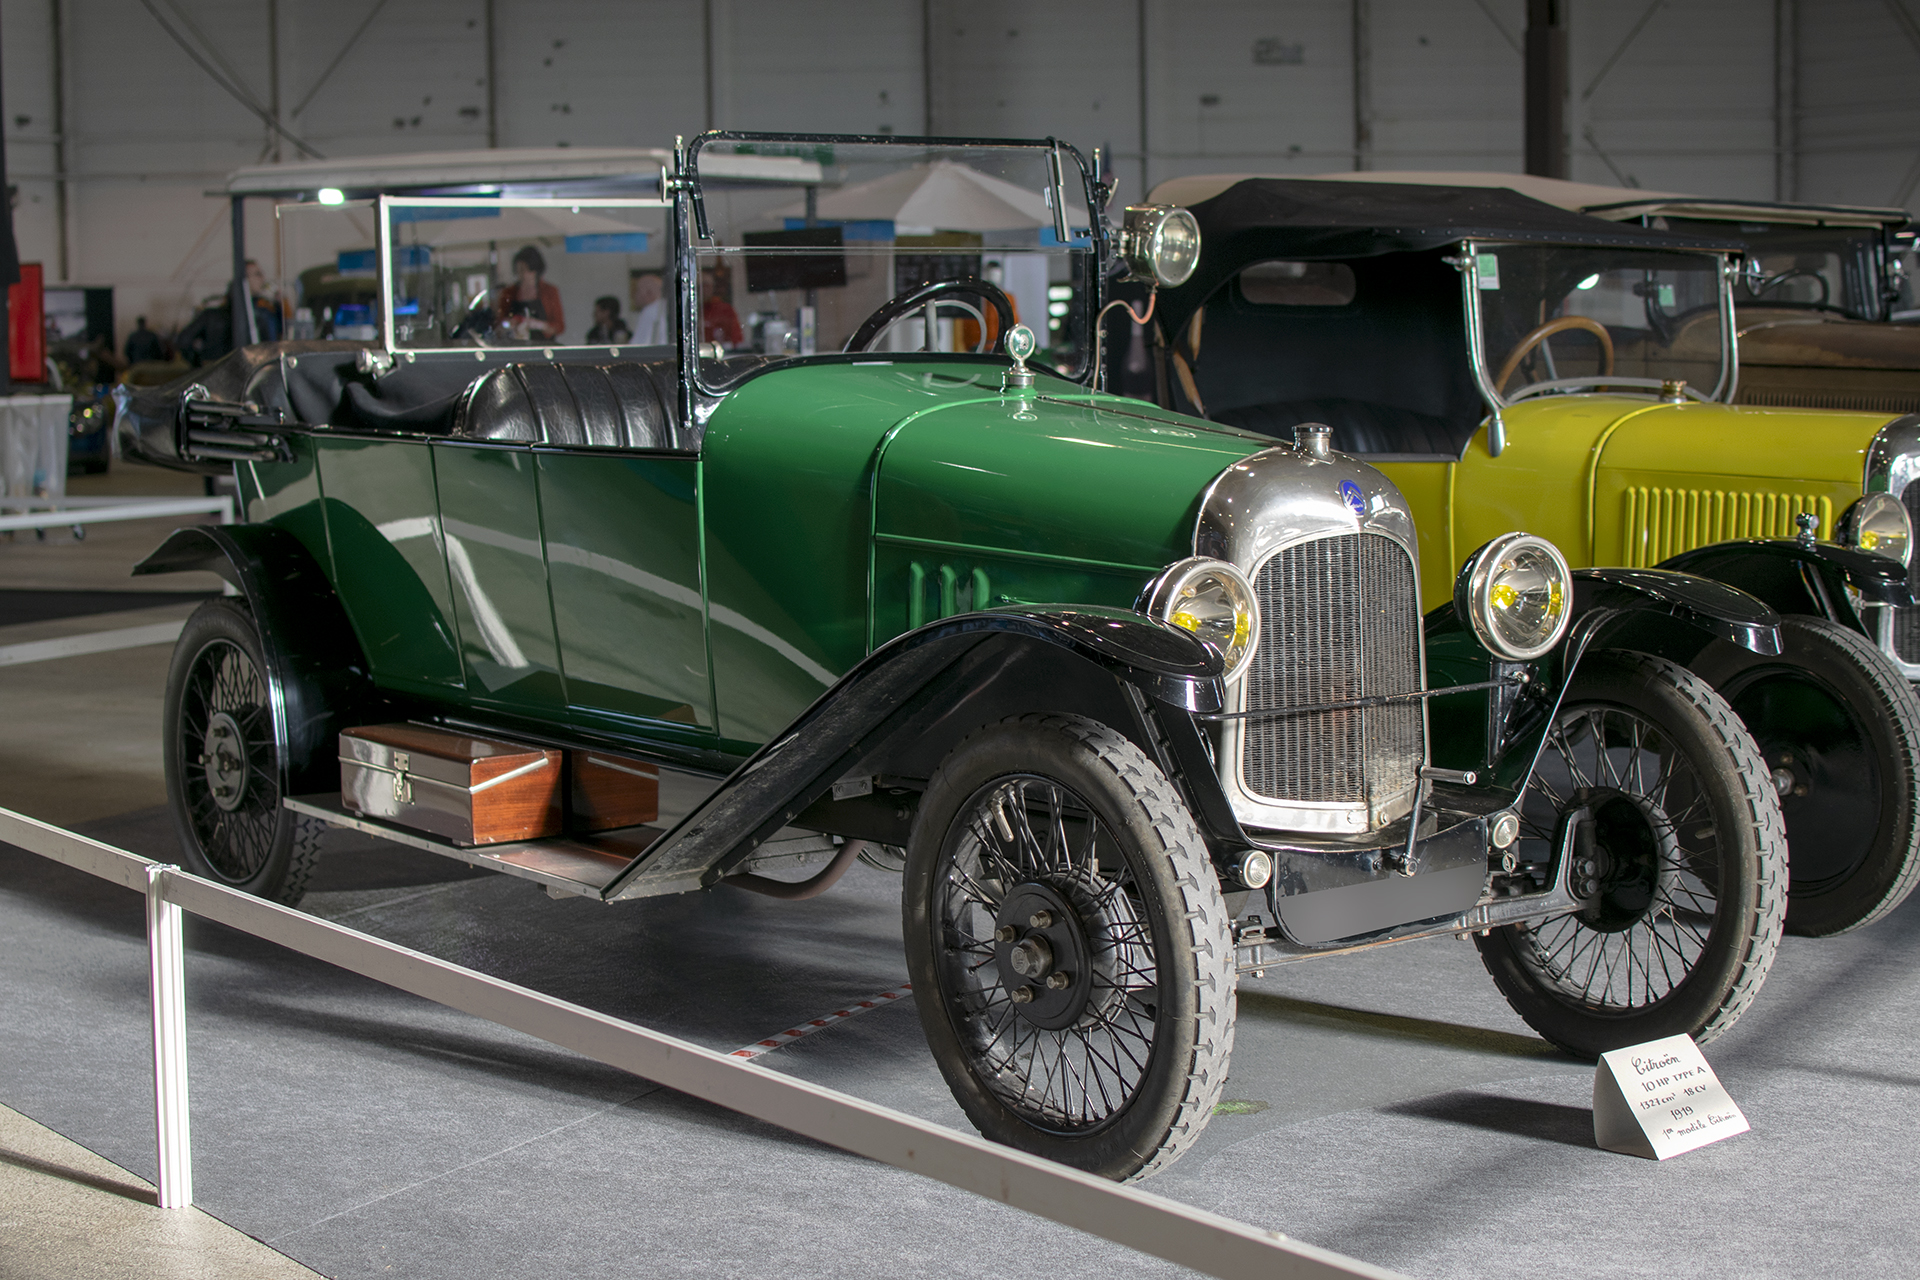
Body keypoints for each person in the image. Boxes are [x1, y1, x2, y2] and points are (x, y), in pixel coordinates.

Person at [495, 245, 565, 342]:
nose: (521, 275)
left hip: (544, 346)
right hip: (516, 346)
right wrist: (509, 324)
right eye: (518, 270)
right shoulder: (509, 293)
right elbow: (499, 323)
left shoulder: (550, 292)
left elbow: (559, 326)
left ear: (535, 270)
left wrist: (540, 325)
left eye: (524, 270)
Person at [700, 264, 742, 349]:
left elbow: (737, 338)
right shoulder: (690, 312)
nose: (703, 290)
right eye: (700, 286)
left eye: (706, 285)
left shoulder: (725, 309)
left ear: (712, 287)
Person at [631, 272, 668, 346]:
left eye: (638, 290)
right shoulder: (666, 308)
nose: (635, 295)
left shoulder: (650, 311)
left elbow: (639, 345)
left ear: (648, 293)